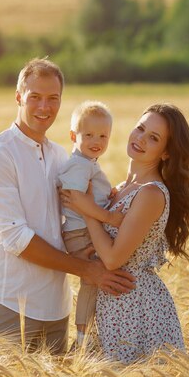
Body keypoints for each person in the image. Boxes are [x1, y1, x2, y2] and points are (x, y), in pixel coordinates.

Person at [0, 57, 136, 355]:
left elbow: (80, 213)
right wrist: (88, 269)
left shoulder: (61, 157)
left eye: (53, 99)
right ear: (19, 97)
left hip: (56, 310)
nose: (44, 107)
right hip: (8, 303)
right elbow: (16, 240)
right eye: (35, 97)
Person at [61, 103, 189, 363]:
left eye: (153, 138)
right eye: (140, 128)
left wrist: (88, 211)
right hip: (111, 303)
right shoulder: (122, 187)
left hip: (135, 308)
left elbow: (113, 260)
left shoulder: (151, 194)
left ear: (166, 152)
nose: (140, 139)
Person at [57, 101, 120, 347]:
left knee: (97, 280)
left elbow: (89, 196)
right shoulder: (80, 164)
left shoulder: (88, 163)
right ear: (73, 136)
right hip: (80, 233)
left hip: (83, 229)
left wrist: (108, 198)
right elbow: (77, 198)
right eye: (89, 135)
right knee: (92, 281)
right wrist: (109, 217)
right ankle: (83, 334)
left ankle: (93, 331)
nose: (97, 140)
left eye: (103, 136)